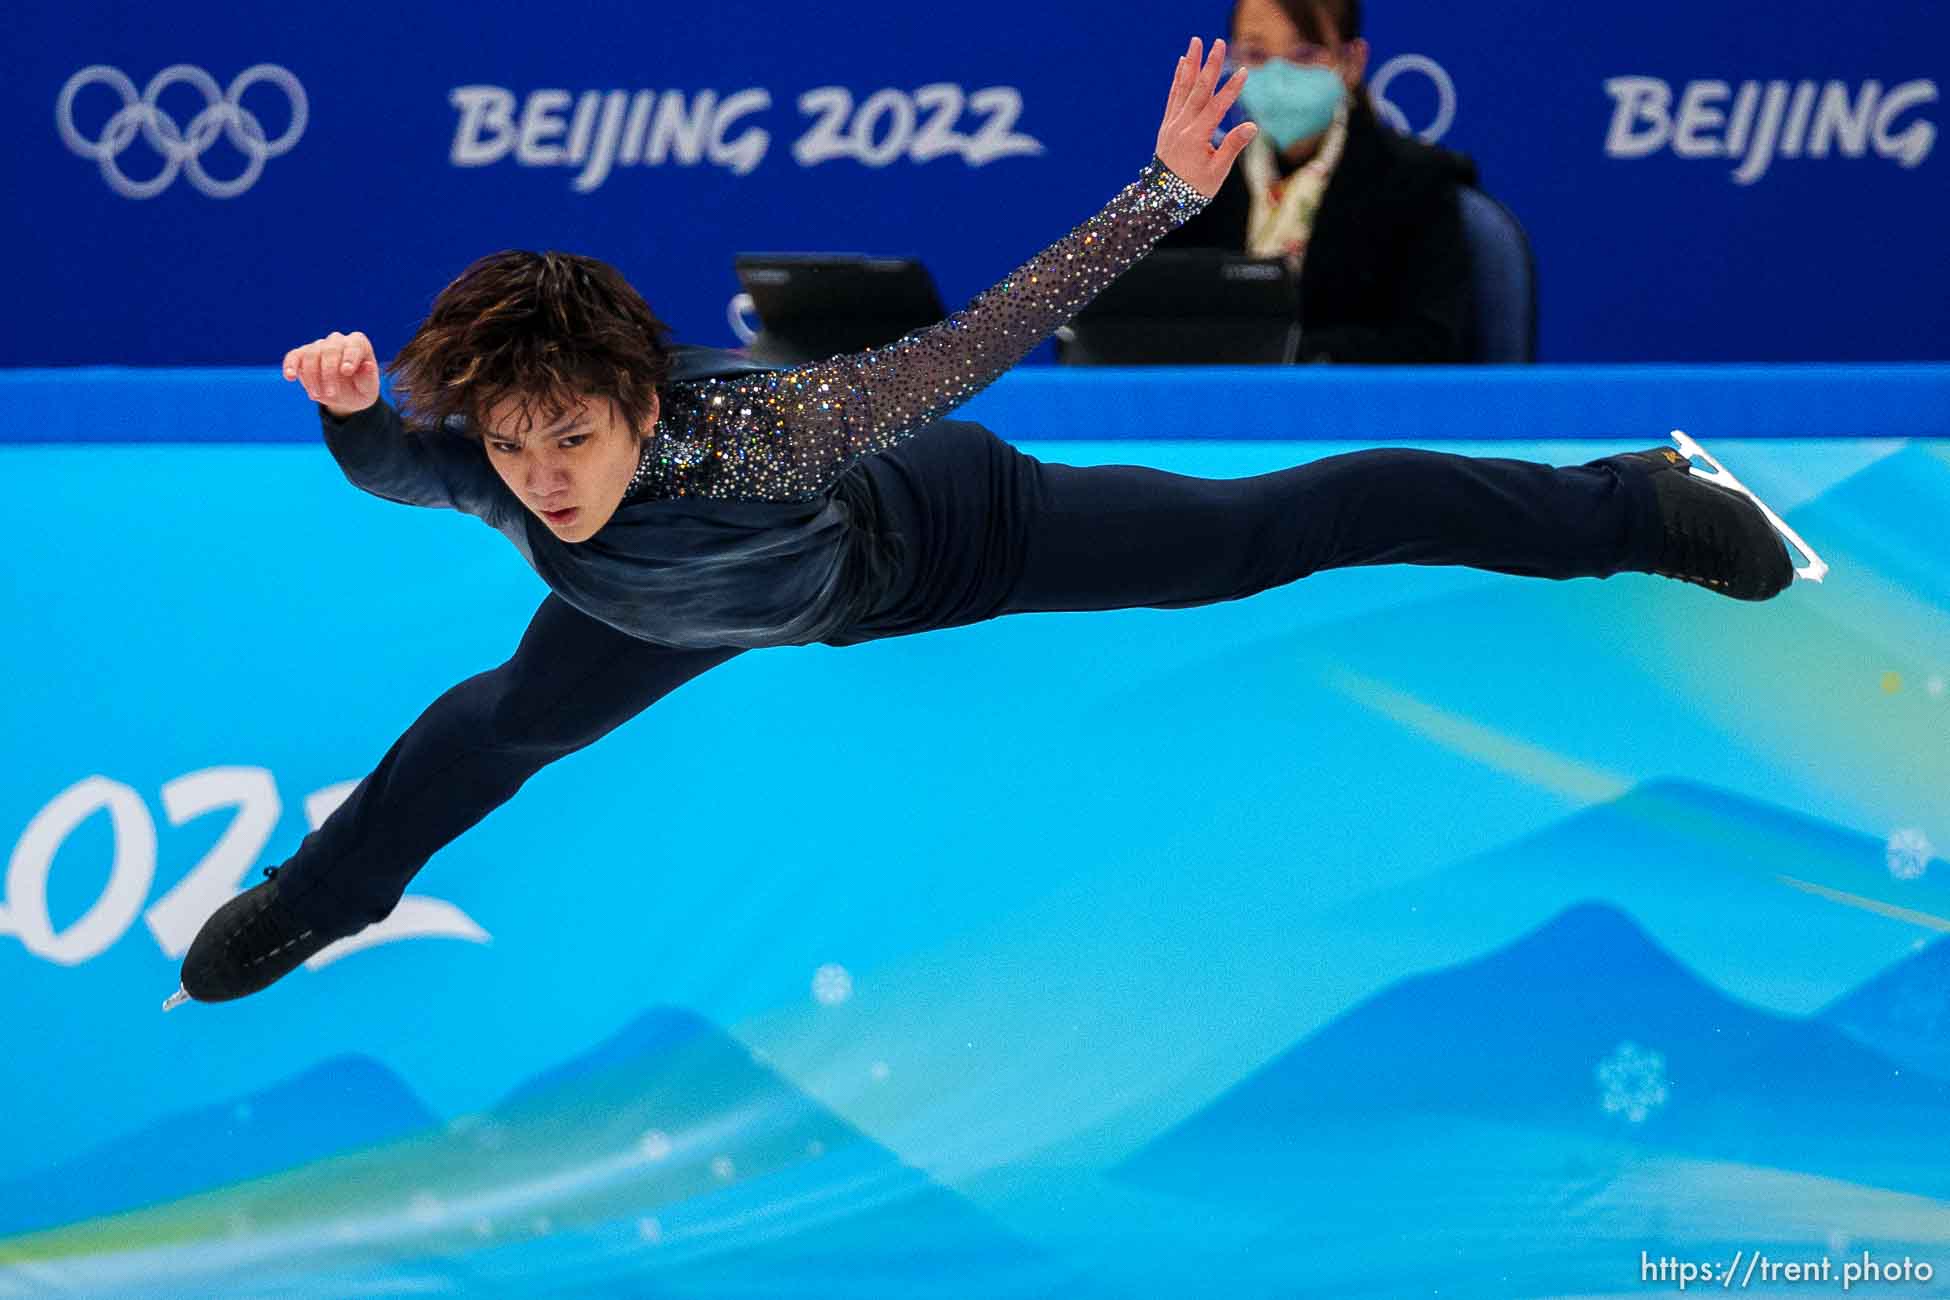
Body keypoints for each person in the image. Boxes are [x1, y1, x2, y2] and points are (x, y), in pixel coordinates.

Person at [168, 37, 1799, 1011]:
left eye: (574, 439)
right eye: (518, 451)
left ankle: (1633, 502)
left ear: (643, 405)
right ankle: (322, 897)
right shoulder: (509, 460)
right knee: (502, 723)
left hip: (930, 542)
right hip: (684, 610)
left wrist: (1162, 192)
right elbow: (403, 466)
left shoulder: (764, 429)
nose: (546, 478)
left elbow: (978, 343)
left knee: (1251, 537)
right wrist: (354, 413)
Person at [1154, 0, 1480, 362]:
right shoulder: (1206, 181)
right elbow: (1135, 319)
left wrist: (1284, 356)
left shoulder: (1416, 182)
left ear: (1351, 62)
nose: (1278, 77)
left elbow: (1429, 343)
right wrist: (1164, 192)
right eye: (1257, 54)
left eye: (1305, 54)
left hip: (1354, 411)